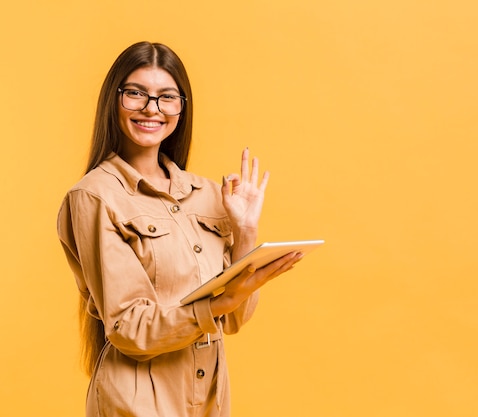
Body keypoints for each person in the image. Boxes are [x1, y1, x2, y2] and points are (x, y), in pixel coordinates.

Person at [57, 41, 303, 417]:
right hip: (135, 401)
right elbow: (129, 327)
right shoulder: (95, 197)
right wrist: (218, 303)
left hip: (209, 398)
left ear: (181, 108)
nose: (151, 109)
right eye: (136, 93)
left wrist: (246, 232)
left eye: (166, 97)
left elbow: (234, 319)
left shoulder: (207, 193)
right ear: (114, 100)